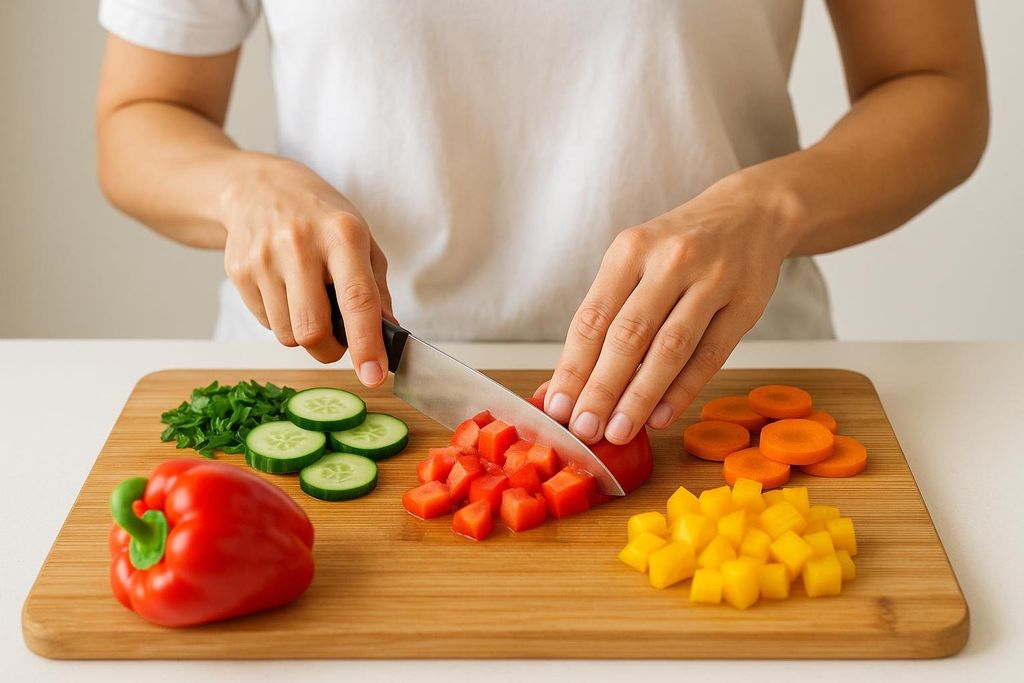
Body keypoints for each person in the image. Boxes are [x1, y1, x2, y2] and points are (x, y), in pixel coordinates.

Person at [96, 1, 988, 448]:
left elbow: (937, 88)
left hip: (723, 391)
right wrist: (243, 188)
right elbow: (140, 115)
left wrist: (771, 205)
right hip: (328, 386)